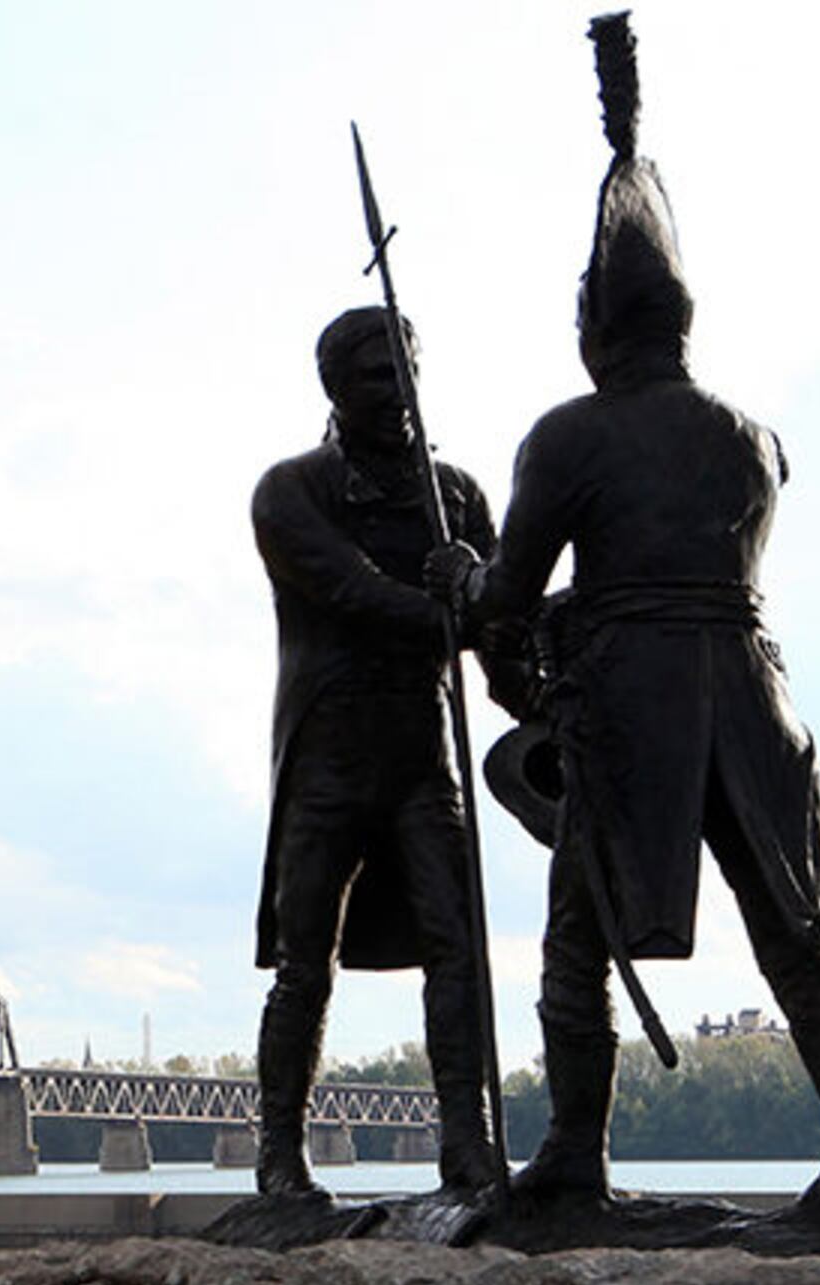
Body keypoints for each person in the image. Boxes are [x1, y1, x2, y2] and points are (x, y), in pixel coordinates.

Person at [446, 15, 820, 1213]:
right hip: (755, 695)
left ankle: (575, 1153)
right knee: (790, 929)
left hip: (639, 703)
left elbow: (512, 595)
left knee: (573, 939)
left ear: (597, 325)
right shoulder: (752, 437)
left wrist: (481, 608)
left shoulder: (570, 434)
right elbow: (694, 563)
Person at [245, 304, 505, 1203]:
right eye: (374, 375)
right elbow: (351, 592)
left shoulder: (459, 496)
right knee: (303, 959)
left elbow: (502, 640)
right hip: (328, 752)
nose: (397, 391)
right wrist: (459, 601)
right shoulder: (291, 493)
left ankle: (468, 1146)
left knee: (456, 945)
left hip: (423, 749)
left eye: (407, 371)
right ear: (335, 387)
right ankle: (280, 1152)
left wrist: (548, 683)